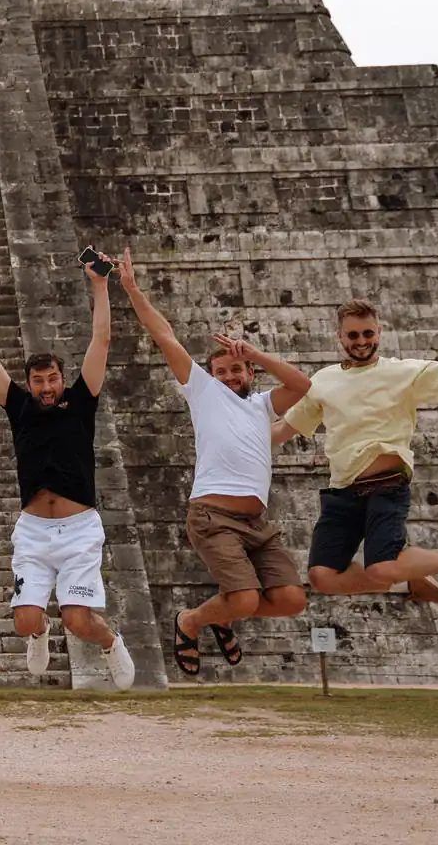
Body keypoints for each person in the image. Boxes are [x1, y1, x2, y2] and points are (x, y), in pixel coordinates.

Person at [116, 251, 312, 677]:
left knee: (292, 599)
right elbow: (164, 335)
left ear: (249, 373)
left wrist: (254, 353)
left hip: (257, 523)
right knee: (243, 598)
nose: (229, 376)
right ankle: (190, 621)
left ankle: (220, 616)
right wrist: (132, 290)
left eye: (237, 369)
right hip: (213, 516)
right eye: (222, 370)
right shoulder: (203, 391)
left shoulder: (262, 404)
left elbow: (301, 384)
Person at [274, 298, 438, 603]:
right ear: (340, 337)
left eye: (368, 334)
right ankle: (407, 584)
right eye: (353, 335)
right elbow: (282, 430)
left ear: (379, 333)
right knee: (323, 577)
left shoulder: (403, 372)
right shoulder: (322, 381)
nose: (361, 342)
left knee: (383, 566)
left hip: (386, 485)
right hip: (342, 491)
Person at [0, 265, 135, 690]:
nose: (46, 386)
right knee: (25, 621)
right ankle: (39, 633)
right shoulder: (17, 405)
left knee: (77, 620)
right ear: (29, 383)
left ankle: (111, 642)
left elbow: (102, 339)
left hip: (78, 530)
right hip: (34, 530)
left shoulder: (82, 400)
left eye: (52, 378)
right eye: (38, 381)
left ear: (62, 377)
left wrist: (99, 285)